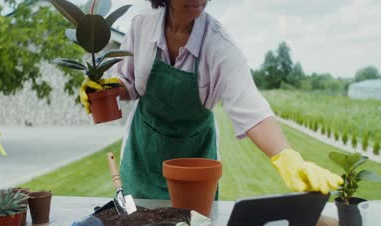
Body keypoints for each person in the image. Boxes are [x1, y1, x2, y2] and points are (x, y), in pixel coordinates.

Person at [81, 0, 343, 199]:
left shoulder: (219, 45)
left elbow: (252, 110)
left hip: (195, 161)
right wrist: (104, 88)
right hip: (144, 154)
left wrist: (286, 157)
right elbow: (128, 83)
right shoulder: (142, 25)